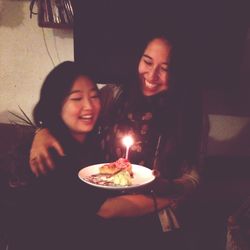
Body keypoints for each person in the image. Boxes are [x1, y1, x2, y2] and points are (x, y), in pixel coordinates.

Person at [29, 34, 203, 250]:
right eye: (147, 62)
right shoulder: (113, 95)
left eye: (165, 68)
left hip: (154, 218)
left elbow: (192, 177)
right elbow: (66, 106)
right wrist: (42, 129)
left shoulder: (188, 116)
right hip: (107, 216)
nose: (152, 74)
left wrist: (169, 189)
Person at [6, 61, 106, 250]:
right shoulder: (51, 153)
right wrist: (171, 197)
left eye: (94, 96)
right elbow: (104, 209)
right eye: (77, 99)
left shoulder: (91, 142)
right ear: (56, 104)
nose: (89, 106)